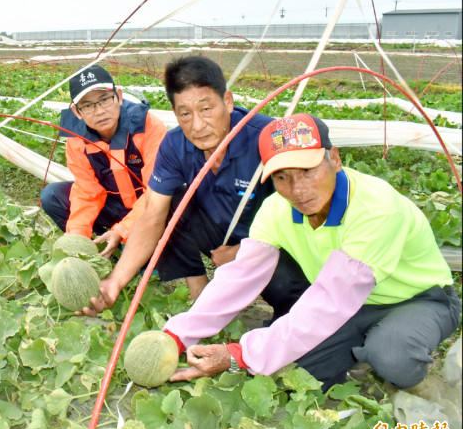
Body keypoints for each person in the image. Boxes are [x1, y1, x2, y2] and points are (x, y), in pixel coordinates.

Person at [163, 113, 460, 392]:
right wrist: (177, 335)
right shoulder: (276, 209)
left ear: (334, 159)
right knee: (299, 373)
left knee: (393, 357)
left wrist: (239, 355)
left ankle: (399, 339)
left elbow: (331, 300)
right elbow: (238, 277)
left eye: (308, 170)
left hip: (418, 298)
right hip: (355, 304)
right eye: (282, 177)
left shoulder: (376, 209)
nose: (298, 189)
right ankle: (361, 340)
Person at [80, 55, 305, 313]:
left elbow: (304, 217)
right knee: (167, 198)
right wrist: (114, 282)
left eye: (206, 109)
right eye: (185, 114)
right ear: (175, 113)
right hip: (219, 235)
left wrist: (245, 251)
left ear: (228, 102)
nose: (197, 126)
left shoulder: (269, 138)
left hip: (274, 244)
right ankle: (200, 289)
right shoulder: (175, 145)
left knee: (290, 298)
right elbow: (152, 218)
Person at [40, 65, 167, 257]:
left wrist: (123, 230)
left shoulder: (148, 126)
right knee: (51, 195)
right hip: (113, 205)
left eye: (105, 100)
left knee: (175, 196)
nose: (99, 111)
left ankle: (139, 247)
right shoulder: (76, 139)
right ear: (76, 112)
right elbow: (87, 191)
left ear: (119, 97)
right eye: (88, 105)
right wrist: (77, 234)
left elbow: (156, 192)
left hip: (150, 207)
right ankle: (100, 246)